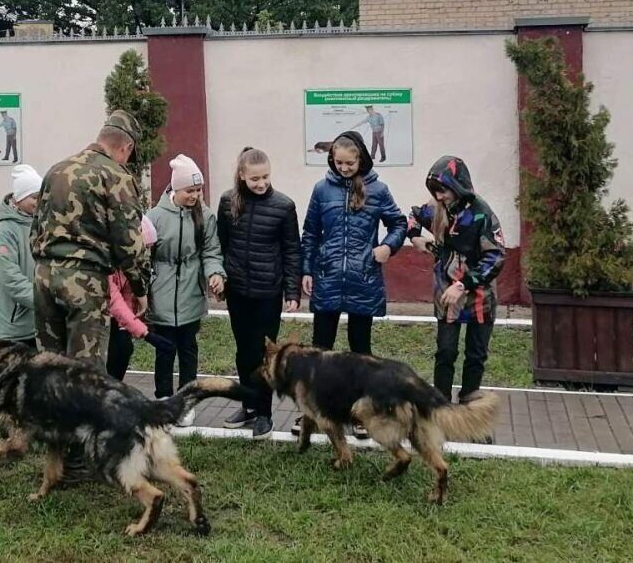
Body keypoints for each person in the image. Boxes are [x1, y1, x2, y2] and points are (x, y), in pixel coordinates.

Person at [299, 131, 407, 436]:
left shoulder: (378, 190)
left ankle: (362, 414)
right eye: (339, 163)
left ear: (361, 159)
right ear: (332, 160)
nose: (344, 168)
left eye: (350, 163)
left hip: (363, 279)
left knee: (361, 352)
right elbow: (310, 233)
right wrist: (307, 270)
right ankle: (317, 412)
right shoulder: (321, 190)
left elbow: (398, 223)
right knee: (321, 351)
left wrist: (387, 246)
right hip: (328, 277)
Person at [30, 110, 149, 370]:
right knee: (86, 373)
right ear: (127, 147)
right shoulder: (116, 176)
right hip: (85, 281)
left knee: (49, 369)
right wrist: (140, 288)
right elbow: (129, 243)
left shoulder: (57, 170)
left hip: (44, 278)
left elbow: (35, 228)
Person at [407, 155, 506, 403]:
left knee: (476, 354)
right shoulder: (436, 209)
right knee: (445, 351)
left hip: (480, 297)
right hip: (446, 294)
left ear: (458, 185)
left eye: (443, 190)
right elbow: (412, 217)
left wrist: (463, 285)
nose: (439, 196)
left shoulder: (482, 214)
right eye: (435, 192)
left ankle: (469, 401)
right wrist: (415, 237)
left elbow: (495, 256)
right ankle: (440, 404)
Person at [217, 147, 301, 439]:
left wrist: (292, 291)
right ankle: (248, 406)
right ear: (242, 175)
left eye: (265, 177)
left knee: (264, 354)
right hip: (238, 291)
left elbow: (292, 251)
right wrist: (220, 279)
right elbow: (221, 245)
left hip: (268, 293)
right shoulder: (227, 202)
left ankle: (265, 413)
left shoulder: (284, 206)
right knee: (243, 352)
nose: (261, 183)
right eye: (255, 179)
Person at [142, 155, 226, 427]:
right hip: (162, 294)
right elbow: (144, 257)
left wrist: (214, 273)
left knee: (189, 349)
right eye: (190, 190)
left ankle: (186, 401)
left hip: (191, 293)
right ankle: (163, 399)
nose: (195, 195)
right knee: (164, 350)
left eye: (198, 190)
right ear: (175, 189)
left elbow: (211, 251)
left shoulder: (206, 216)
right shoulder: (154, 217)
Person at [104, 215, 178, 384]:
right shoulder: (105, 264)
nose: (146, 254)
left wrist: (128, 328)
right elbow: (114, 301)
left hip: (115, 317)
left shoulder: (130, 268)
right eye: (144, 248)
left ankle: (113, 389)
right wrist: (146, 334)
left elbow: (128, 299)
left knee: (124, 348)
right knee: (109, 353)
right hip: (95, 316)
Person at [0, 165, 43, 347]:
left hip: (39, 324)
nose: (39, 202)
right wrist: (43, 301)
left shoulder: (40, 225)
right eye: (34, 197)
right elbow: (9, 277)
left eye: (41, 197)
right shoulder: (4, 232)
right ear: (18, 198)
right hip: (13, 330)